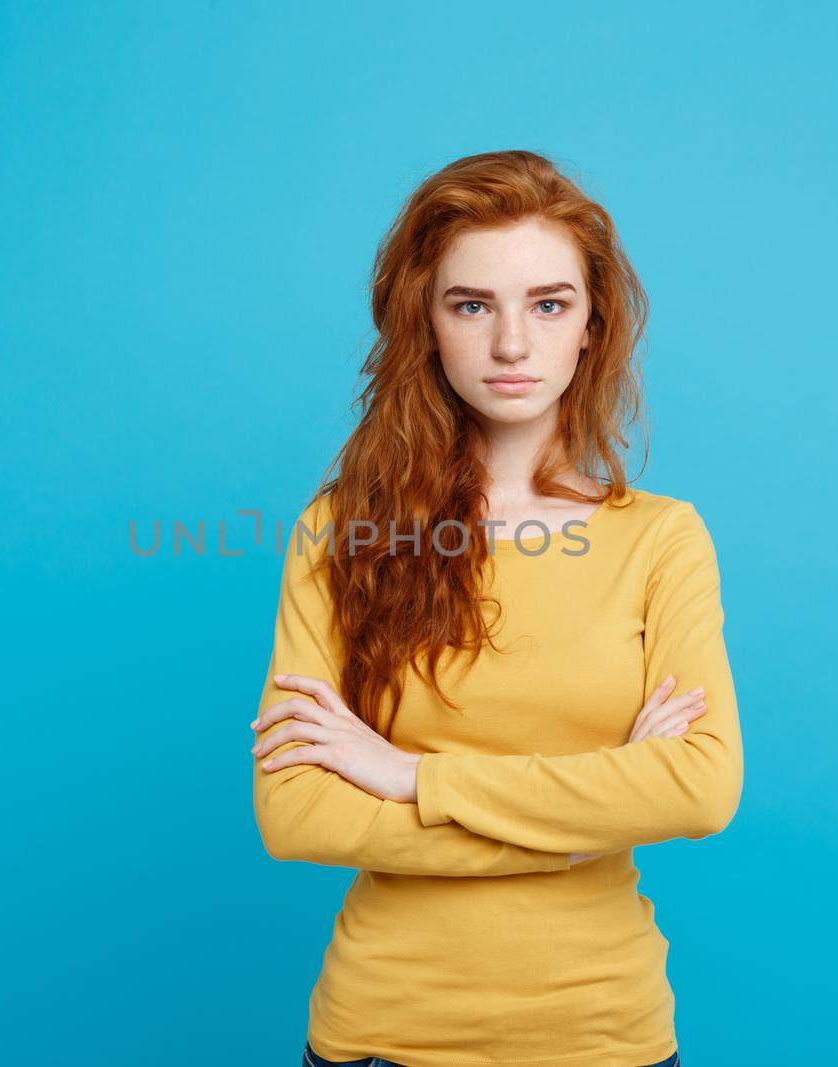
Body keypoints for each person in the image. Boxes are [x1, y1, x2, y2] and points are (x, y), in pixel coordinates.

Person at [249, 149, 740, 1067]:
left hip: (606, 1036)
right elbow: (297, 813)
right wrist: (576, 825)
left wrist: (411, 778)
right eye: (472, 305)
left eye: (548, 304)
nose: (512, 344)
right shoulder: (340, 530)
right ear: (424, 323)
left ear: (593, 323)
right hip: (382, 1035)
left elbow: (699, 786)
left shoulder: (662, 540)